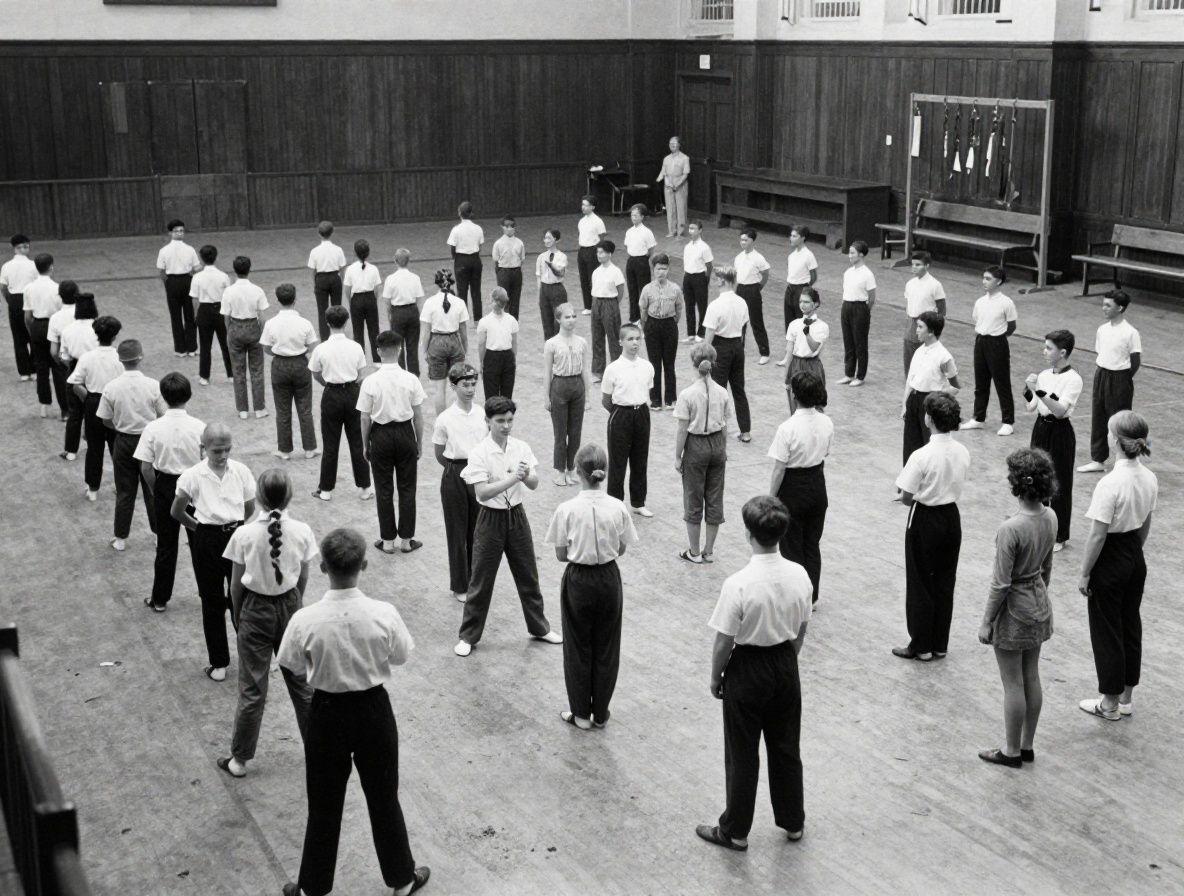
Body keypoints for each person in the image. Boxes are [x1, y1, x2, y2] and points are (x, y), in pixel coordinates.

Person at [276, 528, 430, 896]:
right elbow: (401, 656)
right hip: (373, 710)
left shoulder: (305, 619)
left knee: (324, 802)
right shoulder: (383, 613)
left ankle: (313, 887)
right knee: (383, 796)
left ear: (324, 567)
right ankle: (401, 878)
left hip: (326, 712)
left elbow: (292, 664)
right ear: (363, 564)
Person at [696, 495, 811, 852]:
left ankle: (735, 830)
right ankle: (793, 821)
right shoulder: (800, 574)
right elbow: (802, 626)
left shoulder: (739, 583)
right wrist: (787, 658)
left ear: (749, 534)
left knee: (742, 752)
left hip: (747, 668)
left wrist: (717, 678)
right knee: (786, 746)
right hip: (784, 663)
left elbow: (723, 642)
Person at [218, 468, 315, 779]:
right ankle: (321, 751)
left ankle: (239, 760)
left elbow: (235, 586)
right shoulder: (302, 530)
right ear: (289, 496)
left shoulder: (243, 534)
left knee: (252, 689)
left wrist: (238, 614)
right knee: (302, 685)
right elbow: (303, 577)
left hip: (254, 608)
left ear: (258, 498)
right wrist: (295, 606)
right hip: (289, 604)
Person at [455, 396, 562, 657]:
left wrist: (526, 477)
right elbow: (482, 493)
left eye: (510, 420)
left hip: (517, 517)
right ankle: (468, 636)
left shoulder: (521, 447)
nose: (506, 426)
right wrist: (514, 477)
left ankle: (539, 627)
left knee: (528, 574)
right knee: (480, 578)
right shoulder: (479, 452)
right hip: (490, 520)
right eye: (500, 421)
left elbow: (534, 483)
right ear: (488, 422)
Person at [545, 443, 639, 730]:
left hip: (579, 580)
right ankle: (600, 712)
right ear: (604, 472)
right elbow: (622, 547)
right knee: (607, 646)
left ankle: (580, 714)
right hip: (609, 579)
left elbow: (560, 554)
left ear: (578, 471)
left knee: (577, 647)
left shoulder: (567, 509)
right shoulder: (617, 506)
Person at [976, 448, 1057, 768]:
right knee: (1031, 675)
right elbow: (1047, 566)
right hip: (1038, 601)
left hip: (1014, 609)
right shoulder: (1050, 516)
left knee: (1012, 683)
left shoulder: (1011, 528)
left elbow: (1001, 583)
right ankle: (1026, 745)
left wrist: (986, 621)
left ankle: (1010, 750)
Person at [1077, 410, 1157, 722]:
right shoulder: (1148, 477)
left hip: (1110, 556)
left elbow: (1097, 535)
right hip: (1134, 553)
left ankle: (1108, 702)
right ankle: (1125, 696)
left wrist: (1085, 572)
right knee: (1129, 623)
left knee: (1107, 629)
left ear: (1117, 442)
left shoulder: (1110, 483)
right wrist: (1133, 552)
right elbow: (1146, 523)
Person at [173, 423, 256, 682]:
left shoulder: (240, 470)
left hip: (237, 536)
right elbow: (177, 511)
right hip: (206, 539)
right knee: (211, 600)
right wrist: (200, 529)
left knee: (240, 599)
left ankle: (251, 657)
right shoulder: (192, 475)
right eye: (217, 451)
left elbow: (249, 506)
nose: (222, 456)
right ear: (203, 448)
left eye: (227, 450)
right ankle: (218, 662)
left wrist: (233, 527)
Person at [893, 393, 970, 662]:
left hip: (925, 517)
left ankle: (921, 645)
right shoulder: (962, 451)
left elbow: (905, 497)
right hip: (951, 517)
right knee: (945, 581)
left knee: (920, 582)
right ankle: (940, 644)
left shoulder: (921, 455)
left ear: (929, 419)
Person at [134, 372, 205, 612]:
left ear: (163, 397)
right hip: (194, 485)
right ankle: (207, 592)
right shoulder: (199, 427)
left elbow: (145, 467)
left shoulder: (153, 428)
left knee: (166, 545)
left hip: (165, 484)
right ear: (189, 395)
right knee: (200, 541)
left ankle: (160, 598)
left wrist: (157, 490)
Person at [768, 372, 833, 605]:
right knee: (812, 544)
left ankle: (796, 598)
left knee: (791, 546)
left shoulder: (787, 427)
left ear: (794, 395)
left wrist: (771, 497)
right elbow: (825, 452)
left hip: (793, 488)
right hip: (817, 483)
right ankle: (812, 596)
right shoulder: (826, 421)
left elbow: (779, 469)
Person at [359, 331, 425, 556]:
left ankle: (387, 540)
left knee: (384, 489)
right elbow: (418, 415)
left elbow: (365, 417)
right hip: (405, 432)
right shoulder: (411, 379)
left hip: (381, 434)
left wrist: (366, 444)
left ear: (378, 351)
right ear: (400, 349)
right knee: (407, 488)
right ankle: (406, 540)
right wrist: (418, 441)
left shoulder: (370, 381)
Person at [97, 339, 167, 552]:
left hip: (124, 440)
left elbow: (104, 419)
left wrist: (119, 427)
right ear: (140, 357)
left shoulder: (111, 387)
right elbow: (163, 414)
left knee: (125, 490)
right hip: (147, 439)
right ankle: (158, 534)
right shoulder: (153, 385)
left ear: (120, 360)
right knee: (151, 488)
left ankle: (120, 538)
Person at [1024, 330, 1083, 551]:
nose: (1045, 351)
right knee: (1034, 476)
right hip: (1040, 428)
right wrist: (1029, 392)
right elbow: (1031, 407)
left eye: (1049, 348)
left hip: (1060, 432)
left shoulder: (1074, 379)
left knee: (1059, 482)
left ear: (1063, 352)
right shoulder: (1043, 374)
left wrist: (1037, 390)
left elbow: (1059, 411)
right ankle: (1035, 525)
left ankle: (1059, 535)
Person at [432, 363, 486, 603]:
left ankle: (476, 579)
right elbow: (439, 452)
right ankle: (459, 585)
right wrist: (456, 471)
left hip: (478, 473)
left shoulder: (482, 413)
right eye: (465, 385)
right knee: (456, 531)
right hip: (454, 473)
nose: (470, 389)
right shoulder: (445, 418)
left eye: (473, 384)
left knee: (478, 529)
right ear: (453, 387)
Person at [673, 342, 731, 564]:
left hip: (696, 446)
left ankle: (694, 551)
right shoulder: (722, 392)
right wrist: (723, 449)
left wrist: (678, 456)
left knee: (693, 497)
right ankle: (709, 550)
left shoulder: (688, 394)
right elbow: (724, 425)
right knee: (715, 497)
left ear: (694, 364)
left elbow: (682, 430)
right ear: (713, 363)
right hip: (717, 444)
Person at [308, 306, 372, 502]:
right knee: (358, 442)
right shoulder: (355, 347)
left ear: (327, 323)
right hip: (353, 393)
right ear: (346, 322)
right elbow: (361, 373)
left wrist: (328, 384)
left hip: (331, 394)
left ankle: (326, 489)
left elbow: (315, 372)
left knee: (330, 444)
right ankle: (365, 487)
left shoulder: (321, 348)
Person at [1078, 290, 1141, 474]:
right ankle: (1098, 460)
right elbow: (1101, 353)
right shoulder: (1102, 329)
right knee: (1098, 418)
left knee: (1120, 422)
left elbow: (1135, 361)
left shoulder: (1131, 332)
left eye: (1108, 305)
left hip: (1120, 378)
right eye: (1103, 304)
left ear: (1120, 308)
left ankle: (1126, 461)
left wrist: (1123, 378)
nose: (1103, 308)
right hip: (1101, 375)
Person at [261, 284, 319, 461]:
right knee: (305, 408)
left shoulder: (271, 323)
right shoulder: (305, 323)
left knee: (282, 409)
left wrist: (280, 353)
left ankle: (284, 450)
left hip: (280, 365)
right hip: (300, 364)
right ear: (295, 299)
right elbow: (312, 347)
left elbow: (266, 348)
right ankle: (309, 448)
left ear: (277, 300)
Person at [602, 324, 655, 517]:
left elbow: (646, 390)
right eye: (630, 339)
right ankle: (615, 504)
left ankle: (638, 502)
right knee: (618, 462)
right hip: (620, 415)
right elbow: (606, 400)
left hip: (641, 414)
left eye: (637, 339)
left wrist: (637, 410)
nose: (634, 343)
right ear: (621, 342)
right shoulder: (613, 369)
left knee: (640, 459)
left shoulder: (647, 366)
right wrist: (621, 412)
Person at [68, 315, 123, 501]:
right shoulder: (120, 357)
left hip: (93, 402)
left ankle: (92, 489)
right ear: (115, 336)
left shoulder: (87, 357)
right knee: (117, 446)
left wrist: (90, 400)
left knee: (94, 448)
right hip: (116, 403)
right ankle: (121, 485)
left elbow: (75, 384)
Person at [961, 265, 1018, 436]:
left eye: (988, 279)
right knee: (981, 382)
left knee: (1002, 383)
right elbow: (977, 320)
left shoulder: (1006, 303)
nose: (984, 282)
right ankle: (978, 418)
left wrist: (998, 338)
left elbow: (1012, 326)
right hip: (980, 342)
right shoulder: (980, 302)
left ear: (999, 282)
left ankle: (1008, 421)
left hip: (997, 343)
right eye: (983, 278)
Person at [901, 311, 960, 465]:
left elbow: (955, 386)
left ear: (931, 331)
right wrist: (905, 404)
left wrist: (936, 401)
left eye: (920, 327)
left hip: (929, 404)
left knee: (928, 446)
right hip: (913, 401)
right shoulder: (919, 351)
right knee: (910, 445)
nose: (916, 330)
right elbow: (910, 380)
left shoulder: (944, 356)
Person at [702, 266, 752, 442]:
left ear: (723, 280)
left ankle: (716, 428)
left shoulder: (715, 305)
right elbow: (744, 327)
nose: (715, 282)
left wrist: (703, 357)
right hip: (737, 346)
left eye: (716, 279)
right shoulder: (742, 302)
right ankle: (745, 431)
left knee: (717, 390)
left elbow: (709, 335)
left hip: (720, 347)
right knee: (739, 389)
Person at [544, 303, 591, 487]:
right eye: (567, 317)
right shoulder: (552, 343)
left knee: (575, 432)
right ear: (558, 320)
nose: (571, 320)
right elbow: (547, 372)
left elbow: (585, 370)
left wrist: (588, 396)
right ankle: (559, 471)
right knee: (560, 432)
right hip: (559, 386)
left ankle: (572, 469)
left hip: (577, 386)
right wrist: (546, 397)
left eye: (573, 316)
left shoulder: (582, 342)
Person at [220, 255, 269, 420]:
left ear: (234, 270)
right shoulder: (257, 290)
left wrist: (230, 331)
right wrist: (262, 332)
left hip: (235, 326)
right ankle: (260, 408)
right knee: (257, 370)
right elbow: (262, 316)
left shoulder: (228, 291)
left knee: (238, 371)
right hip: (253, 327)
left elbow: (226, 316)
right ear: (250, 269)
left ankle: (242, 409)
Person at [419, 269, 469, 415]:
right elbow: (463, 331)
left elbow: (426, 331)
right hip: (454, 340)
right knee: (458, 384)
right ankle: (458, 417)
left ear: (437, 284)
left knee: (439, 389)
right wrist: (464, 349)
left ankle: (442, 420)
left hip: (436, 342)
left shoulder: (430, 302)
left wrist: (424, 350)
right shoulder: (459, 302)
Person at [56, 293, 99, 461]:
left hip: (75, 367)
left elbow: (64, 357)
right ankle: (93, 442)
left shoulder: (68, 330)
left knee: (75, 412)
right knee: (94, 408)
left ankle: (71, 450)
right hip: (95, 369)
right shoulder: (98, 326)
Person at [639, 253, 683, 410]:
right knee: (654, 364)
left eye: (664, 269)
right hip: (652, 325)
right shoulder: (647, 289)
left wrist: (671, 322)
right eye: (658, 269)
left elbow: (679, 308)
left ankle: (671, 399)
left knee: (669, 364)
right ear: (653, 270)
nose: (661, 272)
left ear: (668, 269)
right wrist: (647, 326)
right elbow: (643, 309)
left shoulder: (675, 289)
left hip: (669, 326)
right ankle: (655, 400)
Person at [776, 286, 828, 412]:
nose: (802, 305)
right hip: (796, 365)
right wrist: (786, 376)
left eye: (806, 302)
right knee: (795, 405)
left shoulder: (822, 326)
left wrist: (807, 334)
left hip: (813, 366)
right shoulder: (794, 325)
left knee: (816, 406)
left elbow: (814, 347)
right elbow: (789, 351)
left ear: (815, 304)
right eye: (801, 302)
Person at [23, 252, 61, 417]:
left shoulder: (29, 288)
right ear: (51, 267)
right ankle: (65, 408)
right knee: (58, 368)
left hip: (37, 325)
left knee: (41, 367)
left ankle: (44, 405)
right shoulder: (57, 288)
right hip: (54, 325)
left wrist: (32, 330)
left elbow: (27, 316)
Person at [189, 244, 233, 386]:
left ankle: (204, 376)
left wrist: (196, 315)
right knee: (226, 344)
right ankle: (231, 375)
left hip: (204, 310)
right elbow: (228, 297)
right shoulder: (224, 276)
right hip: (220, 309)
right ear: (216, 257)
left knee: (205, 345)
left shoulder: (197, 277)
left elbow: (195, 299)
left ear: (201, 258)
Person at [156, 219, 200, 356]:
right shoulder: (189, 249)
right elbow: (197, 267)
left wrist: (168, 284)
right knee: (189, 315)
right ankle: (191, 348)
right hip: (186, 280)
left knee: (178, 316)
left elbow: (161, 271)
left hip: (173, 282)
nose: (179, 233)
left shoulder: (165, 251)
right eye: (176, 231)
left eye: (181, 231)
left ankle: (181, 349)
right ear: (170, 233)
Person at [902, 251, 947, 378]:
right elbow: (910, 304)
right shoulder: (910, 283)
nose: (914, 267)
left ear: (927, 266)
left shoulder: (935, 285)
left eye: (918, 265)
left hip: (927, 324)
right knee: (909, 354)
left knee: (925, 356)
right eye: (913, 264)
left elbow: (942, 310)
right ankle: (910, 382)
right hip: (911, 322)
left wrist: (934, 331)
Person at [838, 241, 876, 387]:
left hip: (860, 308)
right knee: (848, 342)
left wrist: (864, 312)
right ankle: (848, 374)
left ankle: (860, 376)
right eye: (850, 252)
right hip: (846, 306)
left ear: (861, 254)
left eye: (853, 252)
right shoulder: (847, 272)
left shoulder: (867, 274)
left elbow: (871, 297)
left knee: (860, 343)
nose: (850, 255)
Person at [382, 248, 425, 375]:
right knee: (412, 346)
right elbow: (419, 297)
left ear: (395, 261)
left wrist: (390, 313)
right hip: (412, 310)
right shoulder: (415, 277)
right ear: (408, 261)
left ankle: (400, 373)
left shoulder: (390, 279)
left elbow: (386, 300)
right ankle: (414, 374)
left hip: (397, 312)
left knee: (397, 346)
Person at [0, 233, 36, 381]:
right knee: (33, 335)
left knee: (18, 337)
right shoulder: (33, 265)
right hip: (30, 298)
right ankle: (34, 369)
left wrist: (11, 301)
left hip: (14, 299)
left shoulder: (7, 266)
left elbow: (3, 287)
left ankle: (24, 372)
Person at [590, 240, 626, 382]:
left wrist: (612, 305)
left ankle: (617, 370)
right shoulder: (596, 271)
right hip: (596, 303)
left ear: (609, 254)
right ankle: (598, 371)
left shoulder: (615, 271)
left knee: (614, 338)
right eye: (598, 252)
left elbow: (621, 291)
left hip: (610, 303)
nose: (599, 255)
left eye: (602, 252)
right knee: (597, 338)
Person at [734, 229, 771, 364]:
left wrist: (758, 287)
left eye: (746, 240)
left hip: (752, 290)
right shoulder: (738, 257)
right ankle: (739, 349)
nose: (742, 242)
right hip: (740, 289)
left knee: (756, 321)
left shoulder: (758, 258)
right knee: (739, 322)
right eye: (741, 240)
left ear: (752, 241)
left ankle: (764, 352)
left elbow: (765, 274)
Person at [342, 239, 382, 362]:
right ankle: (377, 361)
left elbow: (347, 289)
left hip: (356, 300)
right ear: (368, 253)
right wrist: (372, 300)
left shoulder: (350, 269)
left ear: (355, 253)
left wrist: (351, 301)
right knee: (374, 331)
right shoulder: (374, 269)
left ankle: (360, 361)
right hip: (370, 298)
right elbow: (377, 289)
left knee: (358, 332)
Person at [476, 287, 518, 400]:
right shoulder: (512, 320)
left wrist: (481, 362)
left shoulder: (484, 321)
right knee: (507, 394)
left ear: (493, 301)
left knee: (491, 394)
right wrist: (513, 359)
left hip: (491, 357)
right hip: (508, 356)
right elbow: (514, 343)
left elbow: (481, 344)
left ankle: (492, 416)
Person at [307, 220, 346, 341]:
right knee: (337, 308)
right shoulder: (338, 249)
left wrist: (315, 283)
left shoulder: (314, 251)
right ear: (332, 232)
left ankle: (324, 338)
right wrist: (341, 280)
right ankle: (338, 334)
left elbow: (312, 270)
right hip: (335, 278)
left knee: (322, 310)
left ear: (319, 233)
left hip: (321, 279)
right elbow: (342, 267)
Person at [44, 280, 77, 421]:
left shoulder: (55, 318)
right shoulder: (82, 313)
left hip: (65, 356)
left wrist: (62, 360)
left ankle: (66, 411)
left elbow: (53, 350)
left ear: (60, 296)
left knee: (60, 381)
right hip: (81, 356)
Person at [448, 200, 485, 320]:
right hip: (475, 259)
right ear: (471, 213)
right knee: (476, 291)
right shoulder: (478, 228)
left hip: (461, 260)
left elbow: (452, 247)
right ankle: (478, 320)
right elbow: (480, 246)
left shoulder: (456, 229)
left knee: (462, 291)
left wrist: (455, 258)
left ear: (459, 213)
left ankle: (463, 319)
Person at [623, 204, 656, 324]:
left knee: (643, 290)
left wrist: (643, 258)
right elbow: (627, 245)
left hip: (642, 261)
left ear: (642, 217)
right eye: (632, 215)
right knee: (632, 290)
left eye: (636, 215)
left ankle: (644, 318)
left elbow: (651, 249)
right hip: (631, 260)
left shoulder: (647, 232)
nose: (633, 218)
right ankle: (634, 317)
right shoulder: (629, 231)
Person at [681, 220, 713, 343]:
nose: (691, 231)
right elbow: (686, 264)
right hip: (688, 276)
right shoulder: (687, 246)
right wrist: (685, 279)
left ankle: (701, 332)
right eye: (690, 228)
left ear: (700, 230)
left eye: (694, 228)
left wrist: (706, 279)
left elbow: (709, 265)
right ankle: (691, 333)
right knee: (689, 306)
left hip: (700, 277)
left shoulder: (704, 247)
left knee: (702, 306)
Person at [783, 225, 818, 331]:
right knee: (789, 321)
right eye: (791, 236)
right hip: (790, 289)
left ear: (802, 238)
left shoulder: (808, 255)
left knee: (800, 320)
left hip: (801, 289)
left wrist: (804, 288)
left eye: (794, 236)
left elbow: (814, 276)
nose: (791, 238)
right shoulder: (791, 256)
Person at [576, 195, 607, 314]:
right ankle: (588, 306)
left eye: (586, 205)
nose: (583, 207)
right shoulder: (581, 221)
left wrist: (598, 252)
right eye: (582, 204)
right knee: (583, 278)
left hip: (593, 250)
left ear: (592, 207)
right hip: (582, 250)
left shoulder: (598, 221)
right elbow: (580, 235)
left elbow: (602, 238)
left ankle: (596, 305)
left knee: (593, 279)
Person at [536, 229, 568, 341]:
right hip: (544, 288)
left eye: (549, 237)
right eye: (545, 238)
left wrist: (552, 266)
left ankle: (560, 344)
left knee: (558, 319)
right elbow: (538, 276)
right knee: (546, 319)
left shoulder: (562, 256)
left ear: (556, 239)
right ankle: (549, 347)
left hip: (557, 288)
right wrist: (540, 293)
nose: (546, 240)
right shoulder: (541, 257)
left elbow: (560, 273)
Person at [492, 216, 526, 319]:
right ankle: (504, 319)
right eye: (507, 226)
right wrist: (501, 272)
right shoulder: (498, 243)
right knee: (504, 297)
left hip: (516, 271)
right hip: (503, 271)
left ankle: (514, 320)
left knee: (516, 297)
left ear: (515, 227)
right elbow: (496, 259)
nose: (509, 228)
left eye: (512, 226)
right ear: (502, 227)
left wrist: (516, 268)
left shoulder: (519, 243)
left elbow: (522, 258)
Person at [658, 136, 690, 238]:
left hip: (680, 184)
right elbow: (664, 172)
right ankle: (672, 230)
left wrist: (677, 184)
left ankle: (681, 232)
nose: (672, 145)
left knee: (681, 208)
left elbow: (685, 174)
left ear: (679, 144)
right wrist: (667, 182)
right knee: (670, 208)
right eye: (670, 143)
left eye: (674, 143)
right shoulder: (666, 159)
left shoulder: (685, 158)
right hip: (668, 185)